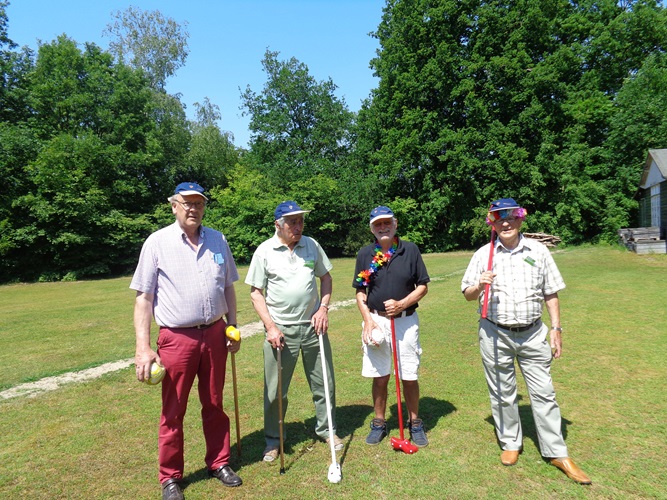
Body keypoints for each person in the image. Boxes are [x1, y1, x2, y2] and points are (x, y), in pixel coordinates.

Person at [461, 197, 591, 485]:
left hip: (533, 333)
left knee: (544, 392)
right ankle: (510, 443)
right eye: (498, 218)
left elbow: (551, 292)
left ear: (521, 219)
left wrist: (556, 328)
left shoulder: (539, 251)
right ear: (492, 223)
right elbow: (467, 294)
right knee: (502, 391)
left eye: (511, 217)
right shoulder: (483, 255)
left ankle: (556, 452)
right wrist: (479, 285)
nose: (505, 222)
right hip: (495, 332)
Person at [131, 182, 243, 500]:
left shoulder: (218, 239)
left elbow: (229, 288)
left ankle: (219, 462)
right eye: (187, 203)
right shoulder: (157, 243)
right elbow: (143, 298)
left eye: (199, 203)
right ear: (174, 206)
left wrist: (232, 325)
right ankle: (170, 478)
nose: (193, 208)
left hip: (215, 334)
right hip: (176, 338)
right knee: (173, 410)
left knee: (214, 403)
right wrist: (143, 347)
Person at [245, 201, 343, 462]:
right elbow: (256, 293)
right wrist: (270, 327)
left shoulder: (312, 245)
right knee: (275, 390)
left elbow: (327, 278)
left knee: (324, 382)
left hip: (313, 326)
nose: (297, 226)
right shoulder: (264, 251)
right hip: (280, 332)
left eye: (300, 221)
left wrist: (323, 308)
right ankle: (274, 440)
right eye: (292, 222)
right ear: (278, 224)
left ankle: (327, 430)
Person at [352, 206, 430, 447]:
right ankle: (378, 422)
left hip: (405, 321)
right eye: (378, 224)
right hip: (376, 321)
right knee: (380, 375)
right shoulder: (365, 254)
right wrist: (367, 320)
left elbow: (423, 286)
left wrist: (402, 303)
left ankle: (415, 423)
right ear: (372, 229)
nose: (383, 227)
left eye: (387, 223)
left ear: (395, 224)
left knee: (408, 374)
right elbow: (360, 291)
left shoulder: (410, 250)